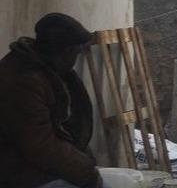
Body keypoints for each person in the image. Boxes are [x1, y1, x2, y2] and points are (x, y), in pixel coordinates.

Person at [0, 13, 103, 188]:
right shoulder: (24, 81)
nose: (74, 60)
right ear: (66, 52)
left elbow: (65, 130)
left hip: (30, 165)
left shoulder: (47, 71)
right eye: (75, 53)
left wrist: (85, 163)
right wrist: (86, 171)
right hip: (15, 171)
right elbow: (41, 145)